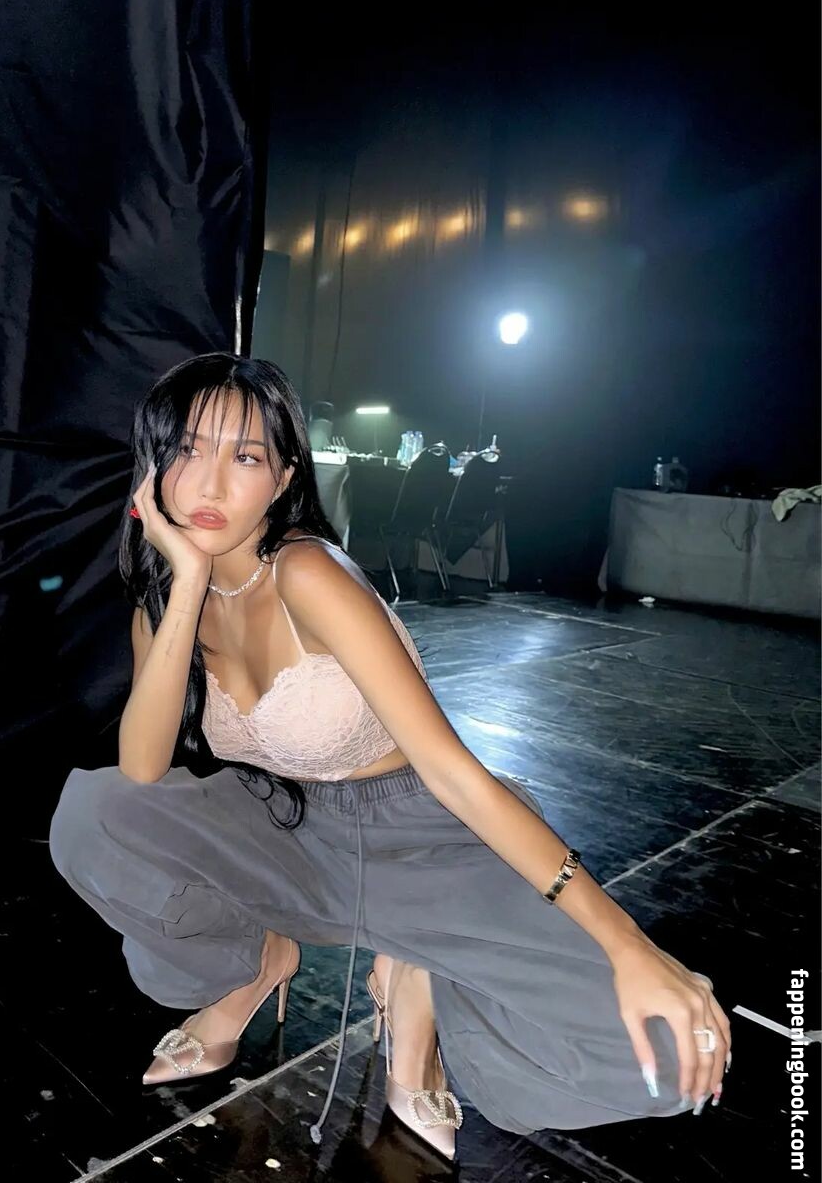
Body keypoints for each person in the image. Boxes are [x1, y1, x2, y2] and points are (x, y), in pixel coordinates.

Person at [49, 353, 731, 1162]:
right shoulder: (165, 603)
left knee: (664, 1058)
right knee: (95, 815)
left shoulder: (308, 573)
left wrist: (629, 945)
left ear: (283, 478)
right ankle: (258, 963)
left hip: (423, 833)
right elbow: (140, 768)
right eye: (189, 449)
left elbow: (452, 772)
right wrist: (189, 581)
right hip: (288, 827)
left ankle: (418, 982)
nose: (210, 483)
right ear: (154, 461)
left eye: (246, 456)